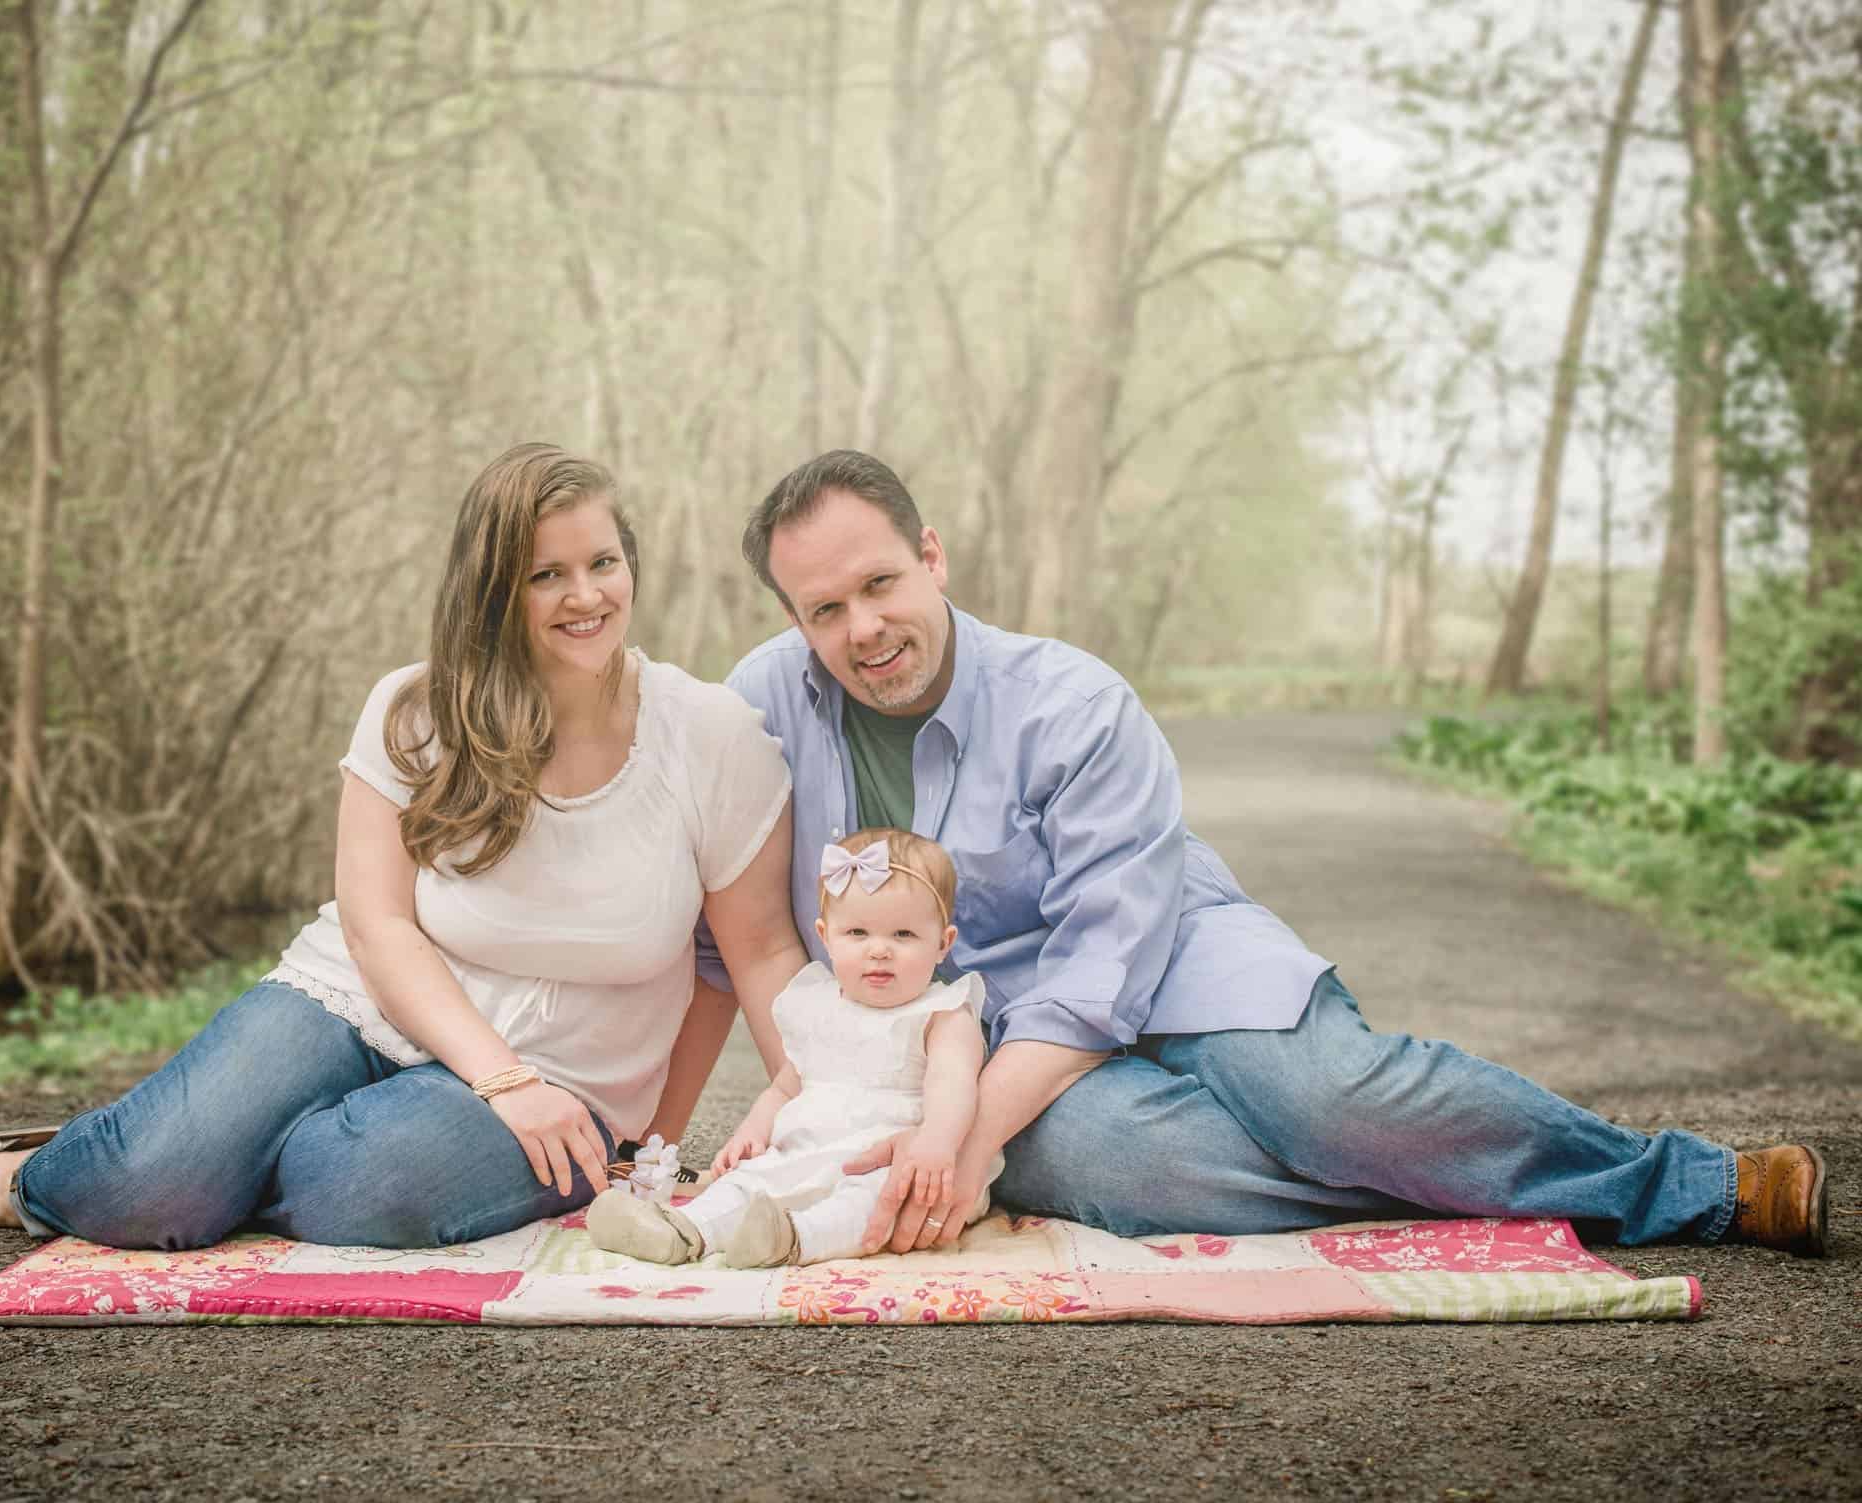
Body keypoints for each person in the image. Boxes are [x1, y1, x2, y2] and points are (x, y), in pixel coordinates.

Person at [697, 448, 1831, 1261]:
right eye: (824, 609)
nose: (861, 631)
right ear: (794, 619)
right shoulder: (762, 711)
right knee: (1117, 1170)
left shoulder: (1072, 703)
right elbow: (717, 908)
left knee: (1327, 1099)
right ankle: (1456, 1194)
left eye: (880, 584)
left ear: (932, 556)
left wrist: (956, 1138)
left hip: (1169, 954)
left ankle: (1698, 1186)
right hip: (980, 1033)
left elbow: (1106, 962)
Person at [0, 442, 806, 1250]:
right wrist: (502, 1075)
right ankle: (40, 1178)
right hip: (359, 1003)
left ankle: (208, 1159)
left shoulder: (709, 736)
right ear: (491, 591)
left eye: (603, 562)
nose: (586, 595)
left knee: (362, 1186)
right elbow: (377, 926)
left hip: (572, 1081)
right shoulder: (416, 712)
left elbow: (755, 953)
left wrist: (799, 1110)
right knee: (149, 1186)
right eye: (545, 575)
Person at [587, 828, 993, 1268]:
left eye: (903, 935)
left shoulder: (944, 1013)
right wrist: (753, 1130)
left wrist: (937, 1142)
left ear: (942, 944)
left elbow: (953, 1085)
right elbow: (785, 1087)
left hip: (897, 1158)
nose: (879, 950)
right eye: (857, 932)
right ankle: (682, 1232)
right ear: (825, 936)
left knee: (870, 1198)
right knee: (748, 1181)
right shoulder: (816, 1006)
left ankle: (794, 1238)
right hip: (806, 1151)